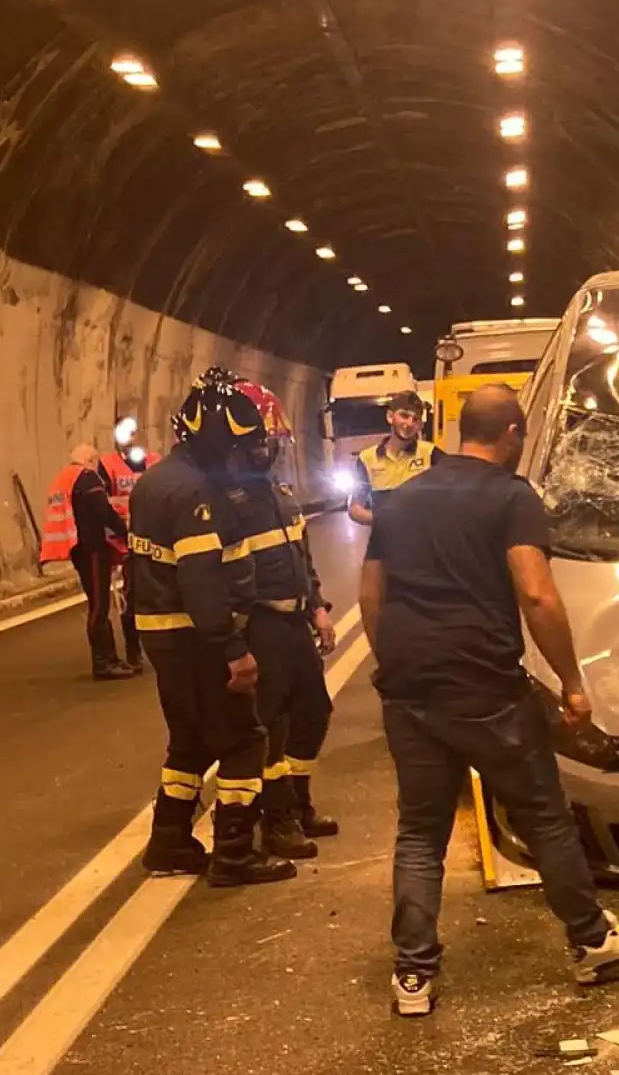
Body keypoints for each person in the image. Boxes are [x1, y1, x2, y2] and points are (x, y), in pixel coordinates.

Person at [360, 383, 619, 1017]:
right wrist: (573, 682)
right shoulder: (510, 497)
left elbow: (371, 593)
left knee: (420, 831)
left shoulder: (402, 498)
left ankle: (413, 975)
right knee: (544, 814)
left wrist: (392, 662)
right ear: (514, 435)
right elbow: (537, 595)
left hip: (411, 685)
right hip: (484, 687)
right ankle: (592, 942)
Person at [131, 368, 298, 888]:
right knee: (245, 740)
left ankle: (170, 841)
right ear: (216, 444)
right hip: (197, 639)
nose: (245, 460)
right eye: (240, 449)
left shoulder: (156, 480)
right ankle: (234, 854)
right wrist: (233, 649)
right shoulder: (196, 494)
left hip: (165, 636)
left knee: (188, 741)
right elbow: (202, 580)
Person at [225, 379, 341, 861]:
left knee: (313, 712)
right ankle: (277, 821)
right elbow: (229, 581)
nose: (267, 451)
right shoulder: (230, 506)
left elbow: (302, 559)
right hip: (263, 627)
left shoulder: (280, 495)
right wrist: (237, 642)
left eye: (272, 443)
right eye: (259, 443)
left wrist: (318, 608)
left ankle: (298, 800)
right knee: (270, 727)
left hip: (296, 625)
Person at [39, 444, 136, 680]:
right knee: (100, 605)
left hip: (78, 548)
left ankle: (110, 658)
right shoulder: (87, 478)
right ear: (91, 460)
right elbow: (103, 511)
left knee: (96, 602)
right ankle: (103, 662)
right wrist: (125, 533)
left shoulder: (63, 478)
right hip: (92, 548)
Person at [101, 415, 162, 671]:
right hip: (126, 541)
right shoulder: (107, 465)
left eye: (133, 432)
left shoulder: (155, 461)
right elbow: (101, 503)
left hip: (157, 538)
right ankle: (134, 651)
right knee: (132, 596)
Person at [347, 390, 435, 527]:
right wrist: (382, 520)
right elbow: (354, 509)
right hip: (384, 544)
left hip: (423, 544)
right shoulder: (366, 459)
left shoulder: (431, 453)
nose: (409, 423)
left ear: (420, 425)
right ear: (390, 416)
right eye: (404, 416)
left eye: (416, 419)